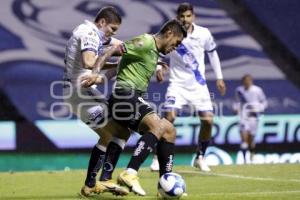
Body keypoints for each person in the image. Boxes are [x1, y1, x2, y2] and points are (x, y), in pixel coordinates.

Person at [82, 19, 187, 196]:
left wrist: (158, 65)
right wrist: (95, 73)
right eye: (176, 43)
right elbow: (112, 50)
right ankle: (130, 172)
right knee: (158, 126)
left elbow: (138, 60)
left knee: (169, 131)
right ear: (169, 33)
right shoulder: (145, 42)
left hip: (129, 99)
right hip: (124, 96)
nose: (175, 47)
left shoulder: (153, 52)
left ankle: (166, 181)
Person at [63, 6, 129, 197]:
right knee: (119, 130)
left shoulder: (94, 33)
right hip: (80, 91)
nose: (113, 33)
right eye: (112, 28)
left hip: (79, 93)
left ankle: (91, 185)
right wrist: (116, 61)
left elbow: (121, 45)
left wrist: (144, 53)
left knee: (112, 134)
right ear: (102, 22)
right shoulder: (90, 33)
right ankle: (105, 180)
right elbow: (89, 62)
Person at [151, 2, 226, 172]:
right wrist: (158, 68)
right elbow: (157, 49)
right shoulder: (170, 32)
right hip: (177, 84)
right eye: (182, 16)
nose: (185, 19)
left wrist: (219, 78)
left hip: (198, 85)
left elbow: (212, 54)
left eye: (188, 16)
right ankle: (157, 157)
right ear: (178, 17)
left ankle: (200, 157)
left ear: (194, 16)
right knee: (168, 118)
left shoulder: (203, 33)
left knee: (208, 120)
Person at [233, 74, 267, 163]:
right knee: (244, 138)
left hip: (254, 117)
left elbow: (264, 101)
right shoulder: (239, 90)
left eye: (248, 81)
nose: (247, 83)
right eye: (245, 81)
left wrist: (259, 109)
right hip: (243, 116)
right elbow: (236, 102)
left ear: (251, 81)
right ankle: (244, 160)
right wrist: (235, 108)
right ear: (243, 82)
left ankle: (252, 152)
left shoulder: (257, 90)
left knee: (251, 138)